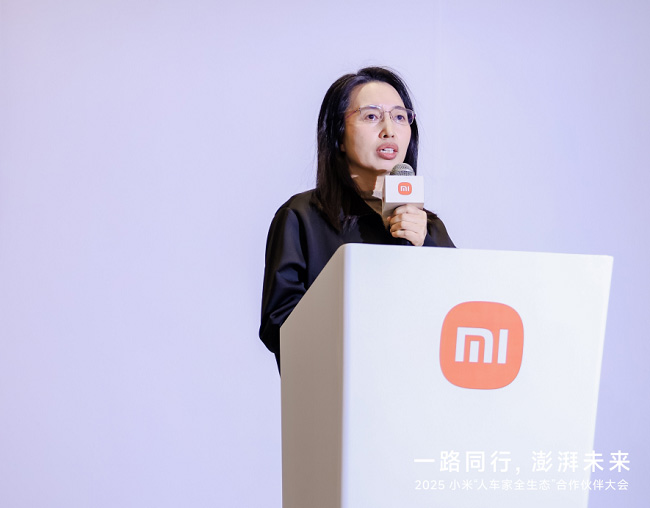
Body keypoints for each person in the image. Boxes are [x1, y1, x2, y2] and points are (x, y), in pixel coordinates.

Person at [259, 67, 455, 371]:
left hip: (417, 388)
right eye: (372, 116)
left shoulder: (427, 228)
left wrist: (426, 247)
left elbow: (459, 313)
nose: (389, 130)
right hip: (336, 386)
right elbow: (280, 326)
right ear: (338, 134)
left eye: (400, 117)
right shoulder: (301, 217)